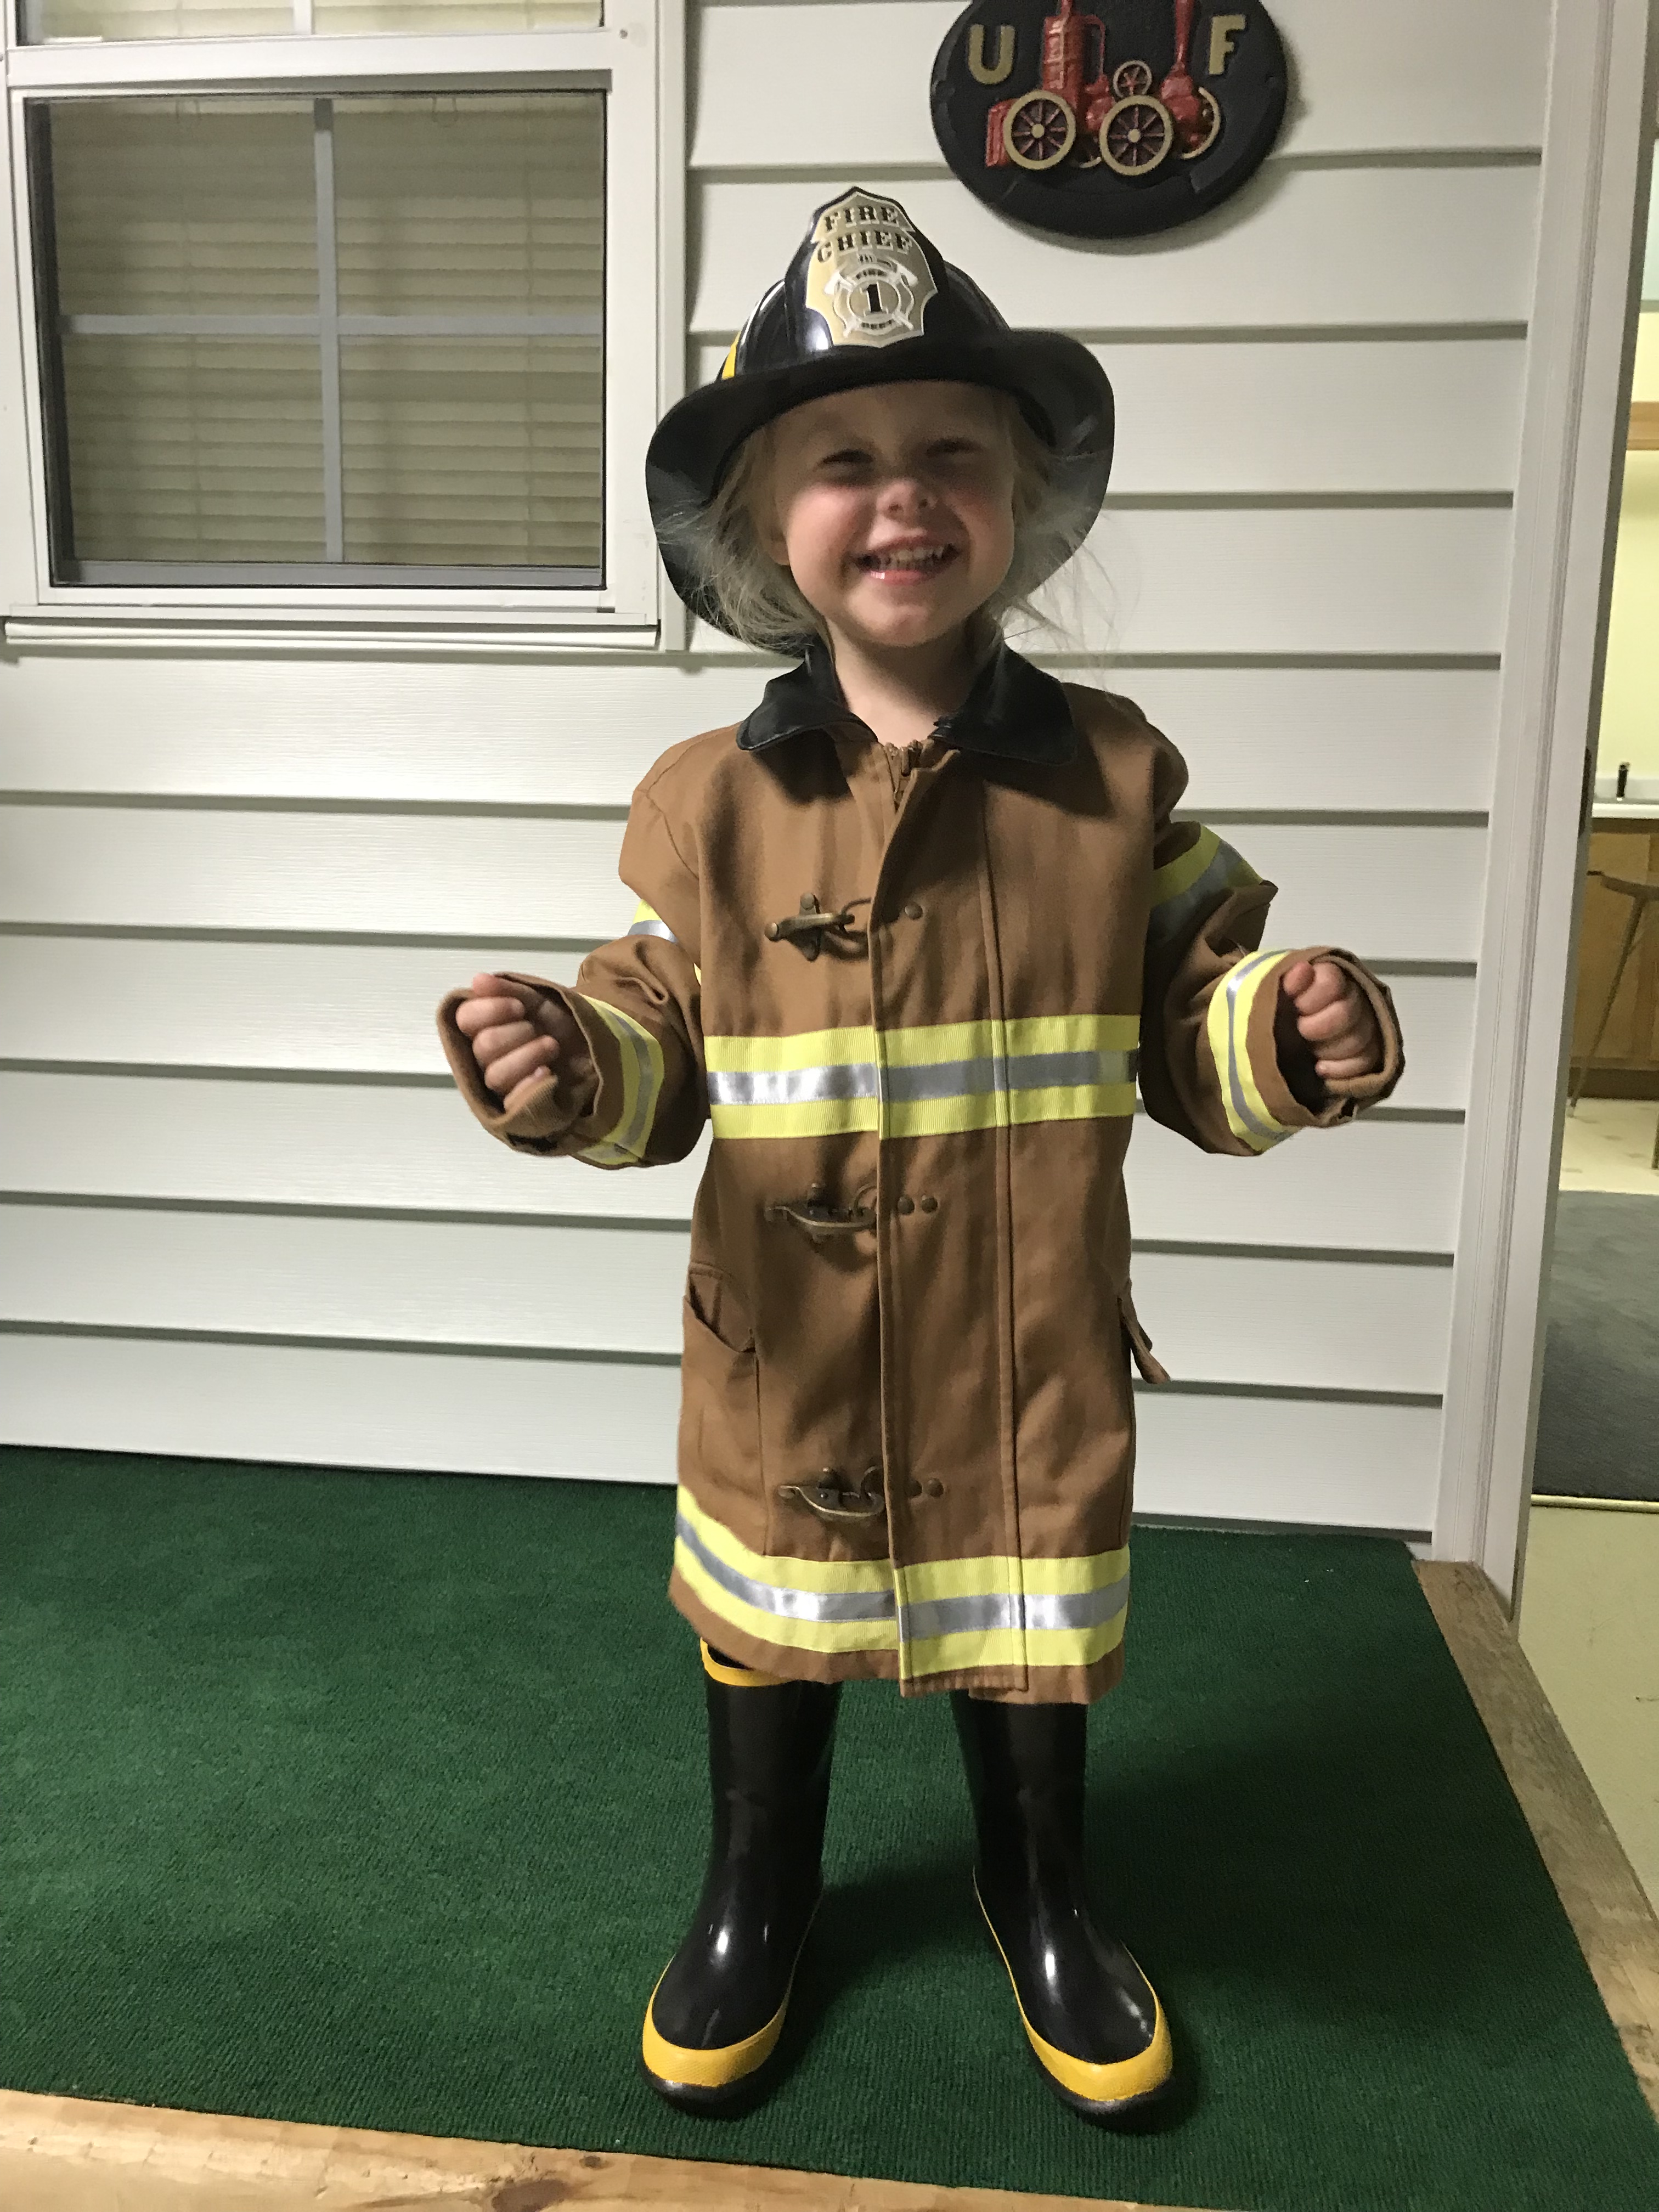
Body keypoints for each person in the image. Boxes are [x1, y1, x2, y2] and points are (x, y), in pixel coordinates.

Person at [436, 189, 1402, 2125]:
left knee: (1028, 1605)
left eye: (953, 453)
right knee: (771, 1610)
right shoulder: (708, 804)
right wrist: (568, 1064)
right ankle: (758, 1886)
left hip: (1022, 1336)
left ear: (1021, 503)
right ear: (761, 527)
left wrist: (1288, 1030)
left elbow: (1197, 1012)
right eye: (843, 463)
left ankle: (1040, 1885)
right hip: (782, 1349)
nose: (903, 499)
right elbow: (658, 1029)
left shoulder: (1117, 781)